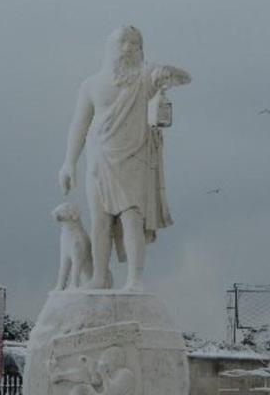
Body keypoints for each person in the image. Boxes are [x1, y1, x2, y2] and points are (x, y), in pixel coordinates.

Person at [59, 26, 190, 291]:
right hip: (99, 159)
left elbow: (185, 78)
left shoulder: (145, 78)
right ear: (110, 48)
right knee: (100, 220)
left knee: (132, 217)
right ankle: (98, 277)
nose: (129, 48)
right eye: (123, 43)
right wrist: (69, 163)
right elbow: (79, 125)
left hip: (134, 156)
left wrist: (168, 72)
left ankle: (134, 278)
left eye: (135, 43)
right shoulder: (92, 84)